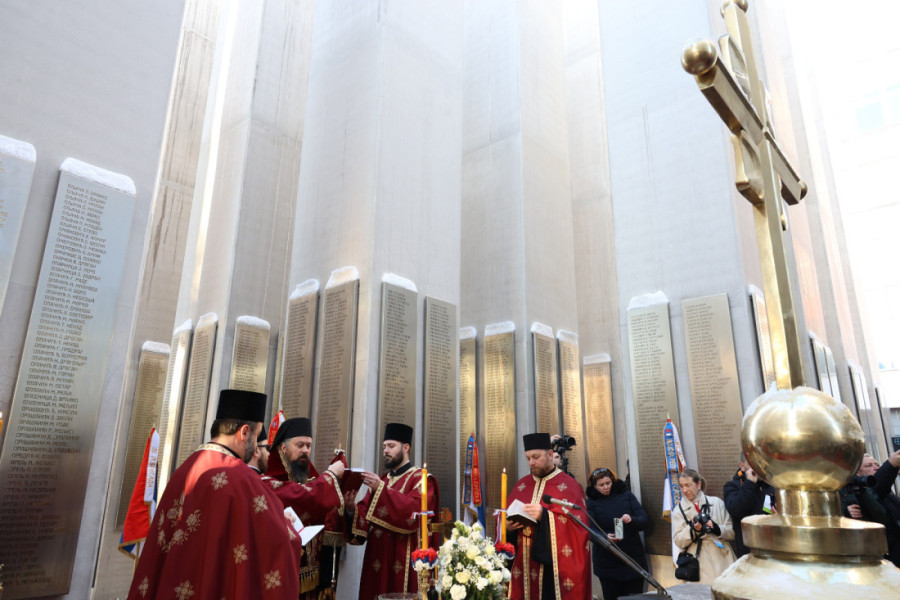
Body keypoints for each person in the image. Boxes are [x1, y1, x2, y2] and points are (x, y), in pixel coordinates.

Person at [128, 389, 303, 599]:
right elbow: (281, 543)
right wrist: (285, 524)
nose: (256, 447)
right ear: (244, 432)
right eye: (256, 437)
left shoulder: (185, 468)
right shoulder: (240, 478)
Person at [345, 423, 439, 600]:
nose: (385, 451)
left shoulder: (421, 479)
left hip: (403, 555)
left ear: (405, 448)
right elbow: (363, 515)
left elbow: (414, 511)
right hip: (377, 558)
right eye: (384, 447)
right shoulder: (380, 481)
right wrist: (350, 508)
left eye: (391, 446)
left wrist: (381, 489)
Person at [263, 417, 345, 599]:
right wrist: (331, 475)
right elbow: (303, 496)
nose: (305, 451)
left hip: (313, 574)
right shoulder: (267, 480)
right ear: (283, 448)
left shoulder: (313, 478)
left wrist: (348, 506)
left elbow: (327, 510)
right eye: (300, 445)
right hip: (280, 571)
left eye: (308, 446)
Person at [505, 432, 590, 600]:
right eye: (528, 458)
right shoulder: (522, 485)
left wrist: (545, 517)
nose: (531, 463)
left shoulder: (570, 486)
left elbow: (579, 530)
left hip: (551, 572)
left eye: (536, 457)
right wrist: (508, 529)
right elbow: (504, 520)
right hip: (522, 568)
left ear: (550, 454)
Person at [584, 467, 648, 600]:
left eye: (608, 483)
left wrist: (631, 519)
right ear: (594, 486)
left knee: (635, 597)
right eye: (601, 485)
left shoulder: (626, 495)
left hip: (632, 558)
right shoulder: (591, 503)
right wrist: (604, 537)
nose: (606, 487)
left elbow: (644, 520)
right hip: (607, 563)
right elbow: (589, 529)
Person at [672, 468, 735, 584]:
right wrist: (692, 530)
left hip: (723, 557)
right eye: (681, 486)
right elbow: (678, 541)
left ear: (698, 484)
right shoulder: (678, 511)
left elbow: (732, 532)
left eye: (688, 485)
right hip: (697, 562)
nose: (684, 490)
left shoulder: (717, 503)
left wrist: (717, 528)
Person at [723, 455, 776, 557]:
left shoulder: (768, 486)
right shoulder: (732, 486)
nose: (758, 468)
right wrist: (750, 483)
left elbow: (768, 509)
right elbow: (737, 510)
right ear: (742, 466)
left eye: (760, 464)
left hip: (771, 546)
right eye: (752, 464)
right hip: (749, 549)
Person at [872, 449, 900, 567]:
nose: (876, 467)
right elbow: (875, 490)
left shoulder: (890, 496)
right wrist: (890, 465)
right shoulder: (862, 496)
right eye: (869, 465)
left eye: (877, 465)